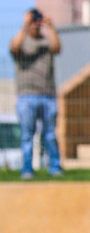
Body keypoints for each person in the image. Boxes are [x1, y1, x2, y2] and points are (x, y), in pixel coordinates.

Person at [9, 8, 62, 179]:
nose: (35, 25)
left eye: (36, 22)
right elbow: (14, 47)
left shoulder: (47, 42)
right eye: (33, 22)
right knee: (27, 135)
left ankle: (55, 167)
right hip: (26, 96)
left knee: (50, 134)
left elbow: (57, 48)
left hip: (47, 95)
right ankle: (26, 169)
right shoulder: (21, 42)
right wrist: (25, 25)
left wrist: (50, 26)